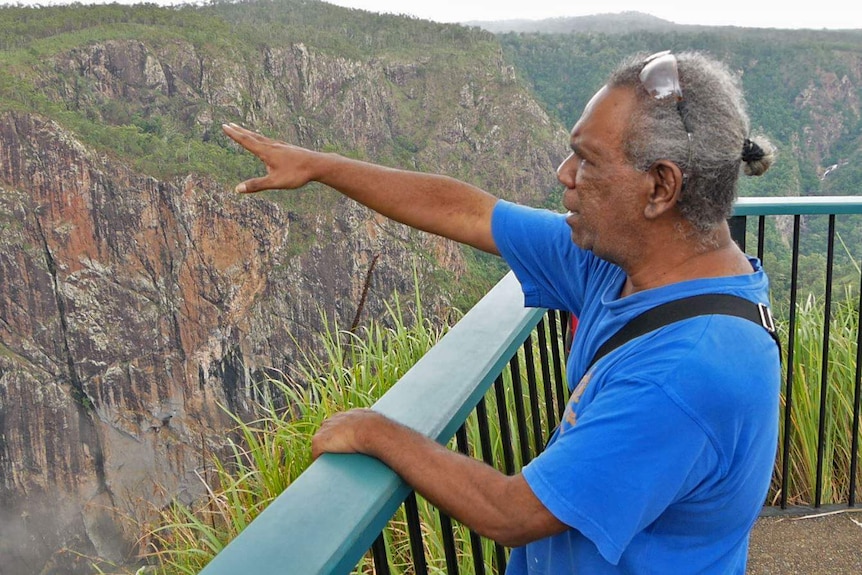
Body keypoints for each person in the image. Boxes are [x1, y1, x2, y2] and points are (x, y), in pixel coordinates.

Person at [222, 49, 780, 574]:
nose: (565, 174)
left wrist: (375, 432)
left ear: (660, 187)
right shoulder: (626, 265)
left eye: (586, 160)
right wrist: (321, 166)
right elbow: (468, 211)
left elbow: (513, 513)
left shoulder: (684, 374)